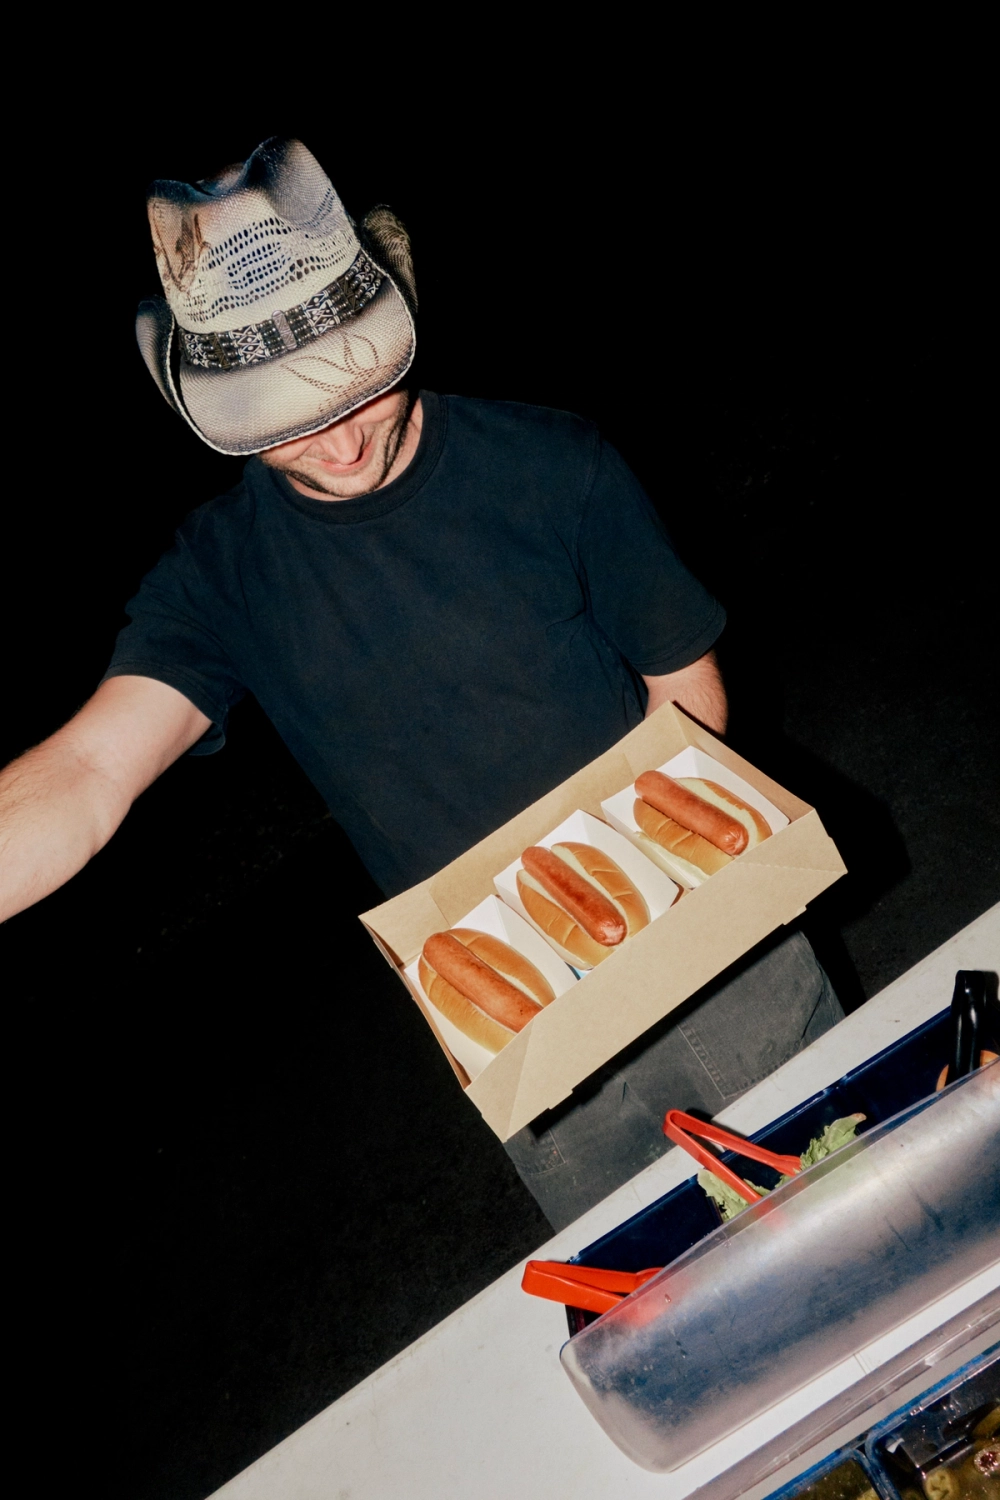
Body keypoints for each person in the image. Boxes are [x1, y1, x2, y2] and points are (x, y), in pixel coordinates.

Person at [0, 137, 841, 1229]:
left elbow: (684, 679)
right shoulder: (219, 576)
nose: (335, 440)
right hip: (512, 1021)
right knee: (659, 1281)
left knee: (854, 1192)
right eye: (280, 415)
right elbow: (84, 772)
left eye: (349, 385)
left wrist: (661, 884)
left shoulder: (550, 461)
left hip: (710, 927)